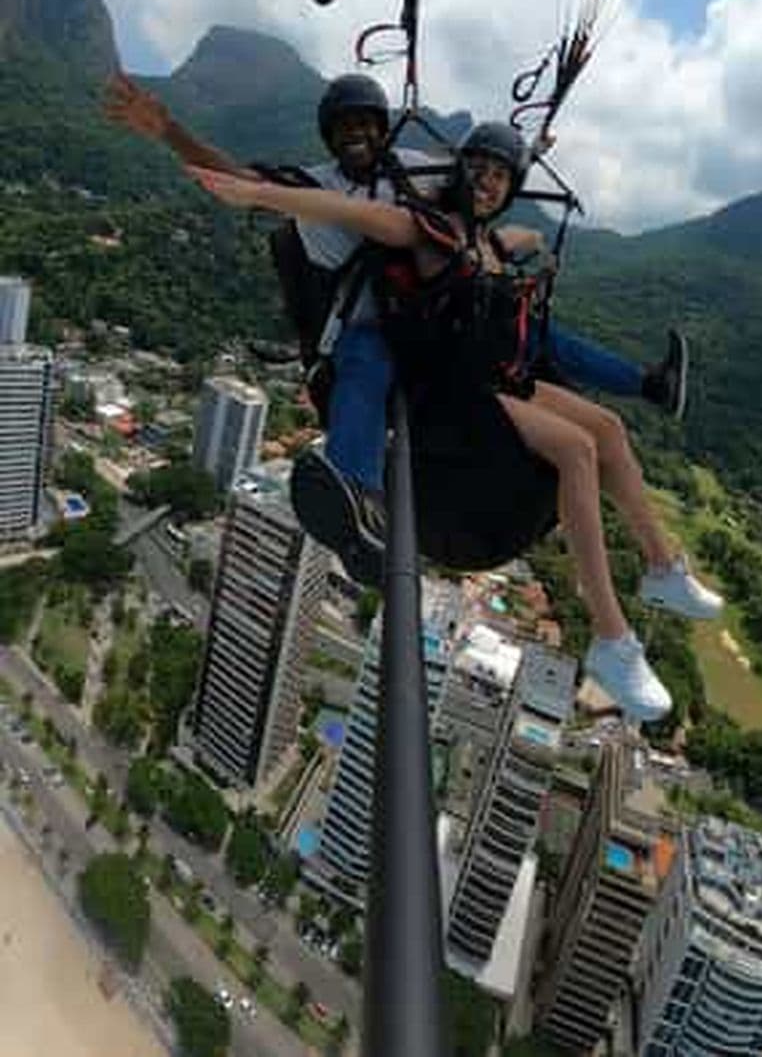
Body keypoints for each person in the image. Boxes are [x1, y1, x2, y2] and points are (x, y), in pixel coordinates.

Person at [185, 130, 721, 722]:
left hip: (486, 377)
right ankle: (611, 639)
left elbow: (508, 245)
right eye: (480, 171)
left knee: (609, 430)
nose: (488, 183)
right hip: (442, 392)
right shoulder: (430, 228)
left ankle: (661, 568)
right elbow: (350, 211)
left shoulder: (485, 241)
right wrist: (258, 194)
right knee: (575, 450)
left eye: (501, 177)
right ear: (458, 174)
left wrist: (529, 214)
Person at [103, 72, 689, 586]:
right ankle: (358, 498)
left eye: (365, 124)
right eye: (343, 128)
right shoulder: (318, 184)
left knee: (534, 333)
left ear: (384, 129)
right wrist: (167, 129)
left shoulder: (413, 166)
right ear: (329, 137)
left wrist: (525, 159)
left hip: (442, 314)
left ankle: (648, 384)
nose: (355, 135)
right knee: (365, 365)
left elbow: (479, 182)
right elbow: (237, 179)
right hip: (372, 323)